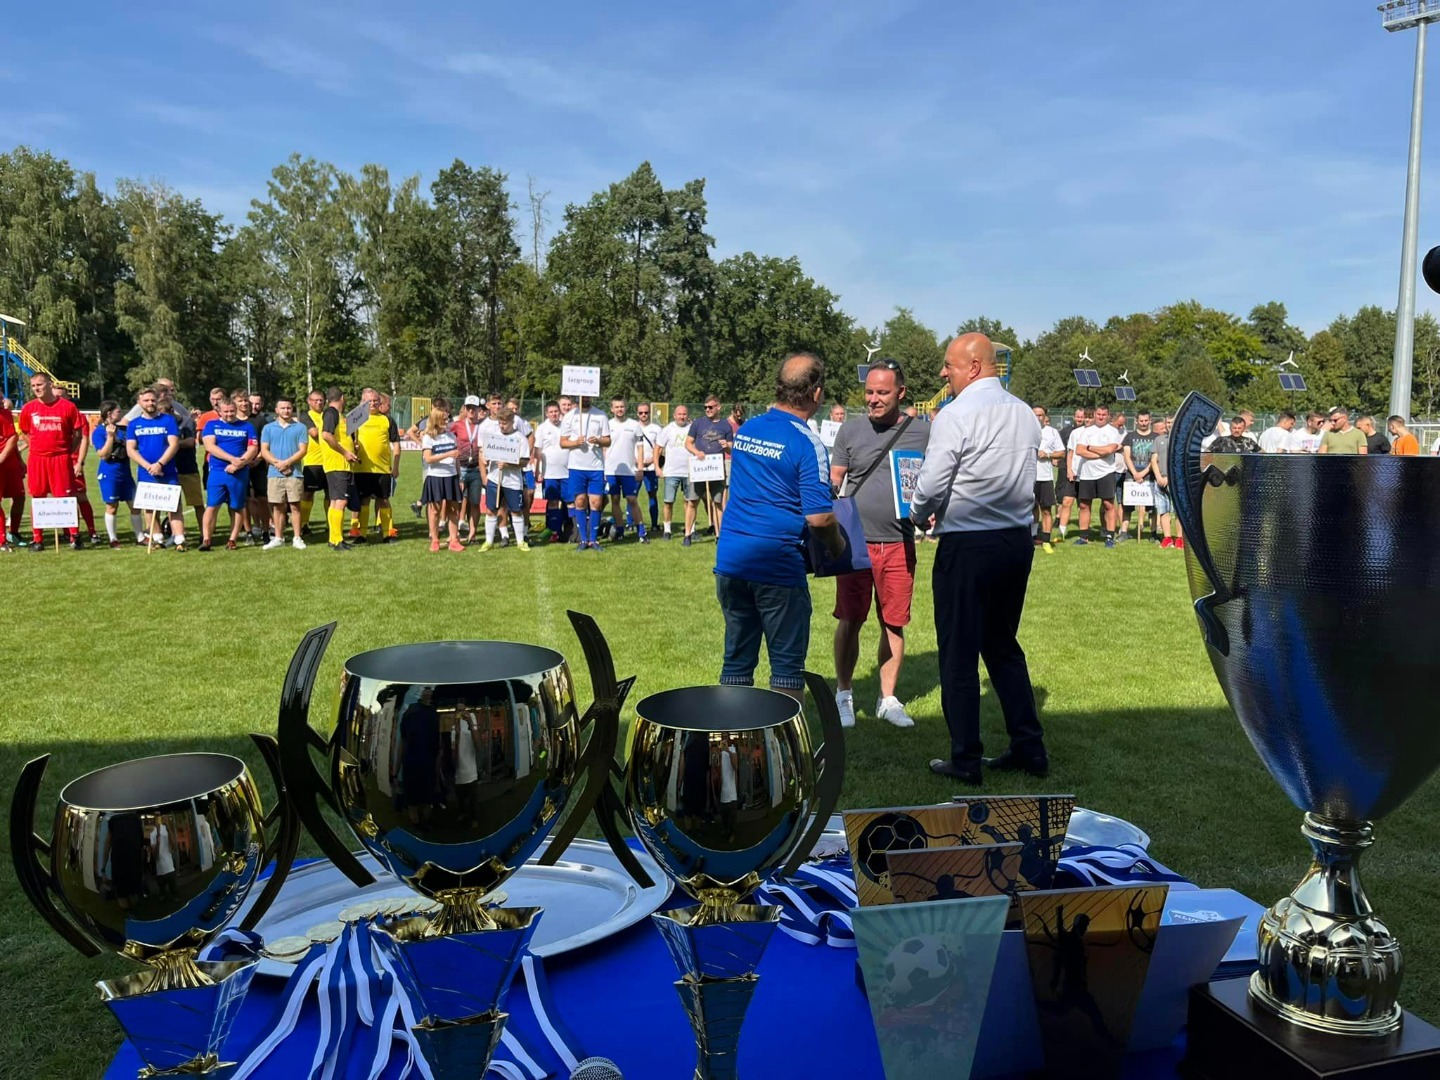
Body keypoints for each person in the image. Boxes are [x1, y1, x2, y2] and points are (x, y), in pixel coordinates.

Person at [911, 333, 1046, 786]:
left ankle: (965, 758)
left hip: (968, 544)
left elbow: (932, 483)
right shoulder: (1024, 413)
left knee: (959, 653)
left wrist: (918, 513)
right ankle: (1030, 747)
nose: (943, 373)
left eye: (948, 365)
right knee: (1003, 645)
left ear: (972, 366)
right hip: (1015, 541)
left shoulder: (955, 414)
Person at [713, 352, 843, 701]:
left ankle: (730, 733)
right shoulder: (807, 442)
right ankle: (782, 738)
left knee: (736, 663)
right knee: (786, 669)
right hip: (777, 566)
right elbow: (819, 518)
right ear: (817, 393)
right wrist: (839, 546)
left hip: (732, 561)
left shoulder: (749, 429)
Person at [830, 359, 930, 729]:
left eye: (882, 392)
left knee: (894, 622)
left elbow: (936, 479)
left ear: (901, 393)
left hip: (899, 542)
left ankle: (888, 699)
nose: (873, 398)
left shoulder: (924, 433)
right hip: (854, 544)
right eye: (869, 391)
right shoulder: (850, 430)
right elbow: (834, 479)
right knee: (850, 619)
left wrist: (932, 509)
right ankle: (844, 693)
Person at [19, 372, 85, 550]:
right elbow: (24, 431)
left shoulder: (67, 407)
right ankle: (37, 539)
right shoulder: (28, 408)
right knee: (38, 497)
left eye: (40, 384)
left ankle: (74, 536)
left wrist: (66, 451)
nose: (36, 389)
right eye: (33, 386)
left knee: (66, 497)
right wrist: (35, 446)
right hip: (37, 459)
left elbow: (78, 434)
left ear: (49, 384)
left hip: (60, 459)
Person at [126, 386, 186, 550]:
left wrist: (160, 464)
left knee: (174, 506)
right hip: (146, 472)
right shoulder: (134, 424)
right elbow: (131, 449)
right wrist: (148, 466)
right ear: (139, 402)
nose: (150, 403)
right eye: (146, 400)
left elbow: (174, 444)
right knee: (150, 507)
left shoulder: (168, 420)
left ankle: (179, 540)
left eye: (153, 400)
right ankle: (157, 539)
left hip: (167, 471)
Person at [200, 398, 258, 551]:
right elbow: (210, 446)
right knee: (212, 505)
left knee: (237, 506)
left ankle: (232, 539)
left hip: (239, 472)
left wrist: (239, 464)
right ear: (219, 411)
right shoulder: (211, 425)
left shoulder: (247, 426)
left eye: (232, 411)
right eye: (225, 411)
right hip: (218, 471)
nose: (229, 414)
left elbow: (252, 449)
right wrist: (232, 459)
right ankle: (206, 539)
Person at [558, 395, 611, 551]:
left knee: (596, 502)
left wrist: (598, 441)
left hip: (596, 467)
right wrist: (575, 442)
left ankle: (593, 540)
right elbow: (562, 442)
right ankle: (583, 539)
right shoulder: (570, 416)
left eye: (588, 396)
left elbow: (608, 440)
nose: (585, 399)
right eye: (583, 397)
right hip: (576, 466)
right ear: (578, 397)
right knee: (580, 501)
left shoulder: (601, 415)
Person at [350, 388, 401, 543]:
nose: (372, 403)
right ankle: (362, 535)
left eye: (375, 400)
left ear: (379, 402)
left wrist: (396, 466)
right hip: (361, 469)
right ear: (362, 402)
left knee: (383, 500)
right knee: (363, 501)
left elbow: (396, 444)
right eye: (369, 401)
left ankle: (387, 534)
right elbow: (347, 441)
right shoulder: (356, 419)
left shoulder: (388, 420)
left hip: (382, 469)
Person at [260, 396, 310, 549]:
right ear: (276, 410)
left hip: (294, 473)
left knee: (295, 505)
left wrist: (287, 463)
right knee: (277, 506)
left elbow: (303, 450)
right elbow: (264, 450)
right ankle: (278, 537)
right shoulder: (268, 428)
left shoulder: (300, 427)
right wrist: (278, 464)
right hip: (274, 473)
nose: (286, 411)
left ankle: (297, 537)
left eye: (288, 408)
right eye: (282, 408)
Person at [481, 406, 530, 552]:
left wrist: (508, 464)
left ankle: (520, 541)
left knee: (516, 511)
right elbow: (484, 452)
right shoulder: (493, 436)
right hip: (494, 479)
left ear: (512, 422)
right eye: (500, 423)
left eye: (504, 423)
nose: (502, 426)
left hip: (513, 481)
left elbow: (525, 461)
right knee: (491, 510)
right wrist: (484, 459)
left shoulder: (520, 438)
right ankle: (489, 541)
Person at [1073, 403, 1121, 547]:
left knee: (1108, 504)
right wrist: (1099, 453)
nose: (1100, 417)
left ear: (1108, 416)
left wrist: (1090, 447)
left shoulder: (1113, 431)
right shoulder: (1087, 431)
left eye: (1103, 415)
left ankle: (1109, 537)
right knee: (1084, 505)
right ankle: (1083, 537)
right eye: (1098, 414)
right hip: (1087, 474)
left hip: (1106, 472)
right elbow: (1079, 450)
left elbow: (1109, 450)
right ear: (1094, 414)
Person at [56, 385, 99, 544]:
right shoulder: (50, 415)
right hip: (56, 462)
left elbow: (84, 439)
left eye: (61, 396)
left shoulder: (77, 415)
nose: (58, 399)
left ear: (68, 397)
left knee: (80, 496)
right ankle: (68, 532)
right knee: (62, 497)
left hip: (73, 461)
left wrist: (79, 462)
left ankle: (92, 532)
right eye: (55, 396)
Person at [418, 405, 463, 552]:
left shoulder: (451, 436)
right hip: (435, 476)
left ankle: (454, 540)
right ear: (436, 420)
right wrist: (448, 454)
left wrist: (459, 477)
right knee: (435, 510)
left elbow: (456, 459)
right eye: (444, 419)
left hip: (451, 476)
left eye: (448, 418)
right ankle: (435, 540)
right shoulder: (428, 437)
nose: (447, 421)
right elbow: (428, 459)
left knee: (453, 509)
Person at [319, 387, 359, 550]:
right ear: (342, 398)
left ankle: (333, 538)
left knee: (335, 501)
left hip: (338, 464)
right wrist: (345, 452)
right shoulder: (331, 413)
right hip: (337, 464)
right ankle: (337, 540)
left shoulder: (337, 415)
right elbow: (326, 435)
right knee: (341, 501)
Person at [603, 397, 647, 543]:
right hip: (611, 470)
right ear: (612, 409)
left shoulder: (634, 425)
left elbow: (640, 448)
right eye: (616, 407)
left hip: (629, 470)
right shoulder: (607, 425)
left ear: (625, 407)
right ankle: (620, 530)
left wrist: (640, 468)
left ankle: (641, 532)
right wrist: (604, 469)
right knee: (615, 500)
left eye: (622, 406)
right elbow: (603, 449)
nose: (619, 409)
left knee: (632, 500)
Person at [687, 394, 732, 536]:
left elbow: (731, 448)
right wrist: (696, 452)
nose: (708, 410)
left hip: (716, 469)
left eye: (710, 407)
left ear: (718, 407)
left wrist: (727, 446)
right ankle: (688, 534)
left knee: (718, 502)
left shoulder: (726, 425)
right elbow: (688, 443)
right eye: (705, 407)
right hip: (699, 467)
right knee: (692, 501)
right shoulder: (698, 423)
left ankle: (719, 534)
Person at [659, 404, 697, 543]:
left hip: (690, 472)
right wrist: (657, 467)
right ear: (674, 415)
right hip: (671, 472)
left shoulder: (693, 428)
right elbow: (658, 448)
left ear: (687, 415)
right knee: (668, 501)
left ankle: (691, 530)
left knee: (690, 502)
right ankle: (667, 530)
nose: (682, 417)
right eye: (679, 414)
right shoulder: (667, 429)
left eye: (684, 414)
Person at [535, 401, 570, 543]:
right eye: (551, 412)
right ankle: (554, 531)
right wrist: (537, 470)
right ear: (546, 414)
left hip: (567, 472)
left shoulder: (566, 426)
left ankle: (570, 529)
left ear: (559, 412)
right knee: (553, 502)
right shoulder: (542, 428)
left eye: (556, 411)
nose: (554, 414)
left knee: (569, 501)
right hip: (549, 473)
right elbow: (538, 452)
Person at [1121, 410, 1158, 540]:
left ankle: (1153, 534)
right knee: (1127, 506)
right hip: (1131, 475)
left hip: (1150, 475)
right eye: (1141, 421)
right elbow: (1126, 456)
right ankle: (1124, 532)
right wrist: (1135, 473)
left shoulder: (1156, 437)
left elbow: (1155, 459)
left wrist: (1143, 472)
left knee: (1152, 507)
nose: (1143, 423)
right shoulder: (1129, 436)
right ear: (1136, 421)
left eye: (1146, 420)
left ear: (1150, 420)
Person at [453, 395, 486, 543]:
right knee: (456, 502)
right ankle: (454, 534)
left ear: (479, 409)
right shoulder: (457, 425)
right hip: (460, 468)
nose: (471, 411)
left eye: (474, 408)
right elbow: (442, 432)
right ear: (465, 409)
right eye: (469, 408)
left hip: (476, 469)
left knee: (475, 503)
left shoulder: (484, 426)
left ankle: (472, 534)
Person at [1033, 406, 1065, 553]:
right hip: (1028, 477)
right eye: (1035, 415)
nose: (1038, 418)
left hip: (1045, 477)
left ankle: (1046, 541)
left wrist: (1047, 454)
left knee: (1046, 510)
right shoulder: (1024, 431)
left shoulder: (1052, 432)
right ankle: (1032, 537)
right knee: (1030, 509)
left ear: (1045, 417)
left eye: (1040, 415)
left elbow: (1062, 453)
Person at [1151, 416, 1184, 550]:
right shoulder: (1158, 439)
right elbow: (1154, 460)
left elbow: (1181, 462)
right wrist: (1158, 476)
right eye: (1168, 422)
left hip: (1176, 481)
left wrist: (1170, 478)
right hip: (1160, 480)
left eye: (1172, 422)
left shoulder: (1182, 440)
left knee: (1178, 511)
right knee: (1163, 510)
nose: (1170, 425)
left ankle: (1180, 539)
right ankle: (1167, 538)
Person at [246, 392, 273, 540]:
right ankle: (252, 528)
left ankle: (266, 529)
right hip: (243, 464)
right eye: (251, 403)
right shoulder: (238, 420)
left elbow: (266, 443)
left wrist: (257, 459)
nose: (254, 406)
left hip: (259, 464)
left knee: (262, 498)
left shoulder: (262, 421)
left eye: (257, 403)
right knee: (247, 499)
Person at [1057, 407, 1087, 541]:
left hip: (1086, 473)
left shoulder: (1090, 432)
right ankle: (1061, 532)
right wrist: (1069, 469)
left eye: (1083, 416)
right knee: (1066, 500)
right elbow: (1068, 452)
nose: (1080, 419)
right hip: (1071, 472)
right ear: (1074, 417)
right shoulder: (1070, 432)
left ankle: (1084, 532)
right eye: (1078, 416)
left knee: (1083, 504)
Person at [300, 389, 328, 532]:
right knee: (308, 493)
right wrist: (329, 432)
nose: (318, 403)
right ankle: (304, 524)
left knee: (331, 495)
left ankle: (331, 524)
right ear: (309, 402)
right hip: (312, 462)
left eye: (321, 400)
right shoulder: (305, 415)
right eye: (315, 400)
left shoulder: (329, 414)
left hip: (329, 460)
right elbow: (314, 433)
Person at [0, 398, 26, 548]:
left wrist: (19, 460)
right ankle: (2, 539)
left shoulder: (5, 414)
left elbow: (12, 438)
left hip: (10, 463)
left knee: (19, 497)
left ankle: (13, 532)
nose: (2, 400)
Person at [636, 402, 662, 531]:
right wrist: (636, 461)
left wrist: (652, 460)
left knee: (652, 494)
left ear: (649, 413)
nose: (643, 415)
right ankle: (631, 523)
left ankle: (654, 524)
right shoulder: (633, 427)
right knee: (632, 496)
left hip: (651, 468)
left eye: (646, 412)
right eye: (641, 413)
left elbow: (660, 448)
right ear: (637, 414)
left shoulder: (656, 429)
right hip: (636, 467)